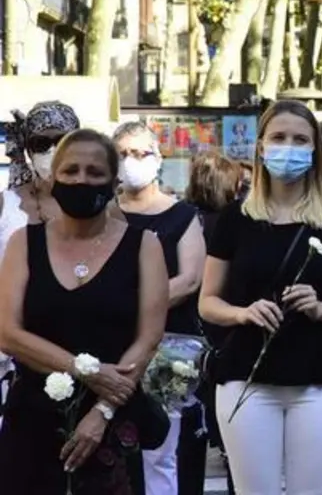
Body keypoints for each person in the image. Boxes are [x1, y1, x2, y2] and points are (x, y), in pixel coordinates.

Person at [198, 100, 322, 494]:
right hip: (246, 377)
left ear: (314, 150)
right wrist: (243, 314)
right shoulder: (234, 219)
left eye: (300, 139)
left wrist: (321, 308)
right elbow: (208, 301)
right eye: (279, 137)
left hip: (321, 382)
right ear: (260, 146)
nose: (289, 147)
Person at [0, 128, 169, 493]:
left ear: (112, 180)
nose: (82, 180)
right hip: (32, 420)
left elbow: (149, 337)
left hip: (111, 419)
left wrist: (102, 411)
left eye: (94, 172)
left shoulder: (143, 246)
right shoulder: (23, 243)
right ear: (53, 176)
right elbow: (8, 333)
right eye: (71, 171)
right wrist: (82, 368)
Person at [111, 122, 206, 495]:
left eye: (140, 152)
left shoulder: (182, 215)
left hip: (169, 347)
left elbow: (189, 280)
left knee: (160, 451)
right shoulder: (103, 214)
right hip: (111, 344)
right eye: (122, 154)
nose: (131, 161)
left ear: (158, 157)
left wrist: (129, 304)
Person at [183, 152, 242, 495]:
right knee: (237, 446)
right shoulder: (238, 222)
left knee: (188, 442)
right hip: (230, 337)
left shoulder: (181, 220)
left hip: (184, 337)